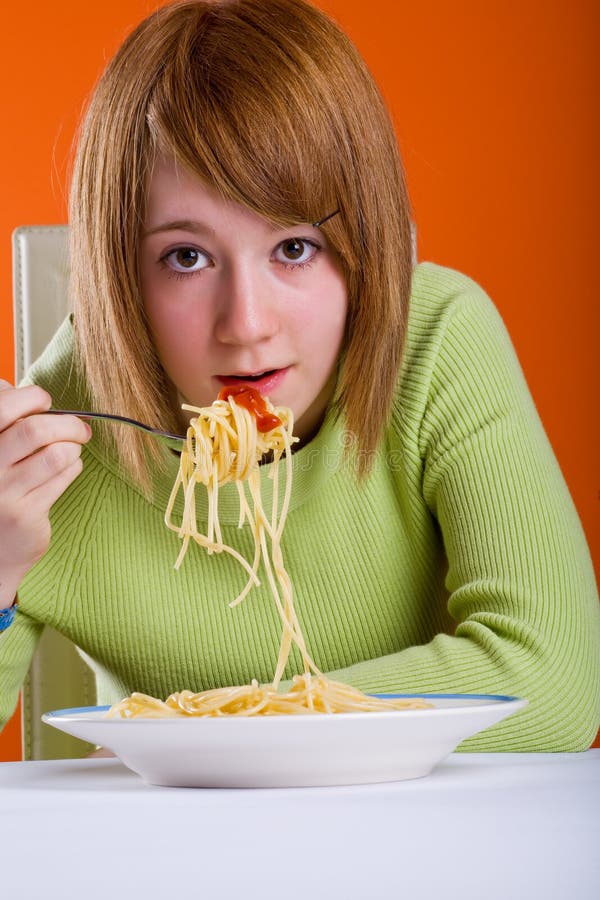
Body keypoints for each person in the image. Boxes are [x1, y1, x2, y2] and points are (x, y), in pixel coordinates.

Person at [0, 0, 598, 751]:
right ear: (121, 275)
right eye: (187, 257)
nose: (247, 324)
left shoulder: (435, 343)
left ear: (364, 246)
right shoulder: (58, 439)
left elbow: (554, 679)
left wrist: (222, 726)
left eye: (294, 248)